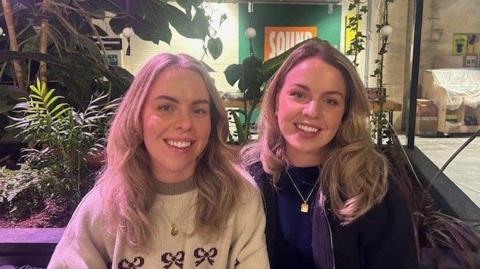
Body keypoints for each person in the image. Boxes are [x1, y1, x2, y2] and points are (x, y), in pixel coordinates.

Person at [48, 53, 269, 269]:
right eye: (166, 107)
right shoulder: (104, 205)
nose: (185, 123)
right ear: (137, 116)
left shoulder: (240, 198)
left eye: (199, 110)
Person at [241, 39, 418, 269]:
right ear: (276, 101)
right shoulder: (248, 178)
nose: (312, 111)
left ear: (345, 114)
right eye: (298, 94)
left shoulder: (372, 188)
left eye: (330, 101)